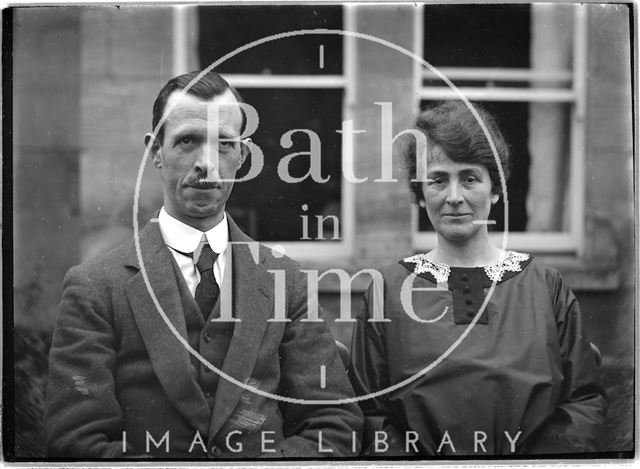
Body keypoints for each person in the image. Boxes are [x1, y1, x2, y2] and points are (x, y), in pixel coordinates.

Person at [45, 70, 363, 458]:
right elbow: (75, 443)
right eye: (187, 142)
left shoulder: (285, 280)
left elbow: (334, 425)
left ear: (243, 156)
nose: (207, 164)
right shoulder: (96, 287)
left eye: (224, 145)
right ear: (156, 152)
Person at [349, 101, 607, 456]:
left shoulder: (546, 286)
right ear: (420, 194)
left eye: (470, 178)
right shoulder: (388, 290)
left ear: (495, 189)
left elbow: (583, 402)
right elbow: (371, 415)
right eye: (438, 180)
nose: (454, 197)